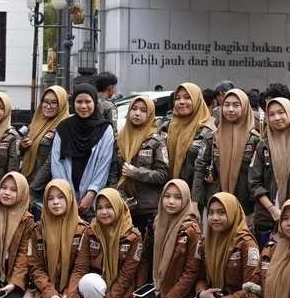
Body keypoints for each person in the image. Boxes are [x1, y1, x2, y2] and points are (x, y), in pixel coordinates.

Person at [172, 193, 260, 298]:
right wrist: (201, 293)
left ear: (232, 213)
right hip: (211, 297)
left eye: (221, 212)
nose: (215, 218)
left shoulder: (246, 244)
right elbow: (200, 276)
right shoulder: (207, 241)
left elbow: (251, 290)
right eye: (211, 213)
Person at [130, 179, 203, 298]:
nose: (171, 201)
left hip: (183, 295)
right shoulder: (157, 222)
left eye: (177, 197)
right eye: (167, 196)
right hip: (161, 286)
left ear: (186, 200)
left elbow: (191, 272)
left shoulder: (191, 230)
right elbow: (146, 258)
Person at [72, 188, 142, 298]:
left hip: (123, 292)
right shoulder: (91, 231)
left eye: (109, 207)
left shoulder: (133, 236)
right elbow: (79, 267)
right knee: (88, 281)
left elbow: (125, 278)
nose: (104, 212)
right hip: (100, 287)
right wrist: (72, 297)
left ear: (118, 207)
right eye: (99, 208)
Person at [26, 180, 93, 298]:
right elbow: (35, 266)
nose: (55, 202)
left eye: (61, 197)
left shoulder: (83, 230)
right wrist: (50, 294)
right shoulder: (38, 229)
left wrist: (69, 294)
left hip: (72, 291)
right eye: (50, 198)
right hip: (46, 289)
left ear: (69, 198)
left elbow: (81, 268)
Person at [249, 97, 290, 247]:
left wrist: (288, 212)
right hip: (266, 217)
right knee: (265, 258)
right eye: (271, 114)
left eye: (281, 112)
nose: (276, 118)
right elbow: (254, 183)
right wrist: (272, 209)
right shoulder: (262, 146)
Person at [113, 94, 170, 256]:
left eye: (143, 110)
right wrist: (120, 197)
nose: (137, 113)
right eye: (134, 109)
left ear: (150, 114)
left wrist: (136, 173)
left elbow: (163, 175)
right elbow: (113, 174)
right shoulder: (120, 139)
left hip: (148, 209)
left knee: (146, 255)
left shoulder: (156, 141)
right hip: (124, 207)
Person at [207, 89, 265, 242]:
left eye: (236, 105)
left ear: (244, 107)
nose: (230, 109)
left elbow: (261, 177)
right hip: (218, 206)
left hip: (246, 206)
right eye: (226, 105)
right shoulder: (214, 137)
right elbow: (201, 168)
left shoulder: (255, 140)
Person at [50, 84, 116, 216]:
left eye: (88, 101)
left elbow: (104, 164)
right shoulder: (63, 127)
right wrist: (67, 194)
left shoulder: (105, 129)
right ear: (73, 103)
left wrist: (91, 194)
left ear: (95, 102)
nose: (83, 106)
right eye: (79, 102)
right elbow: (56, 162)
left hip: (94, 201)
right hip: (65, 198)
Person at [162, 83, 216, 204]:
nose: (181, 102)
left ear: (197, 100)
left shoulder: (208, 131)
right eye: (177, 98)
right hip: (169, 194)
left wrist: (195, 201)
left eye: (187, 97)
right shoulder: (167, 127)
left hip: (194, 198)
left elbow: (206, 170)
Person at [22, 85, 70, 206]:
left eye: (54, 103)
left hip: (45, 189)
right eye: (45, 101)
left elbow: (51, 162)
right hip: (27, 182)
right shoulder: (36, 123)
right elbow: (25, 152)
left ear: (62, 105)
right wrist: (22, 146)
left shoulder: (64, 127)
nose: (48, 106)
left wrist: (33, 189)